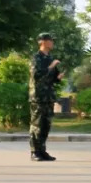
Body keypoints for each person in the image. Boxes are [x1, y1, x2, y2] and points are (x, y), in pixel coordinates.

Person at [29, 32, 62, 161]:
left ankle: (42, 151)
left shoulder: (50, 58)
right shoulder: (36, 58)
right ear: (42, 42)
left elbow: (52, 77)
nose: (52, 42)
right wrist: (51, 67)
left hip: (48, 96)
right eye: (50, 40)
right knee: (36, 124)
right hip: (38, 96)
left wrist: (58, 77)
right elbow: (36, 75)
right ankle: (35, 152)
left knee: (45, 124)